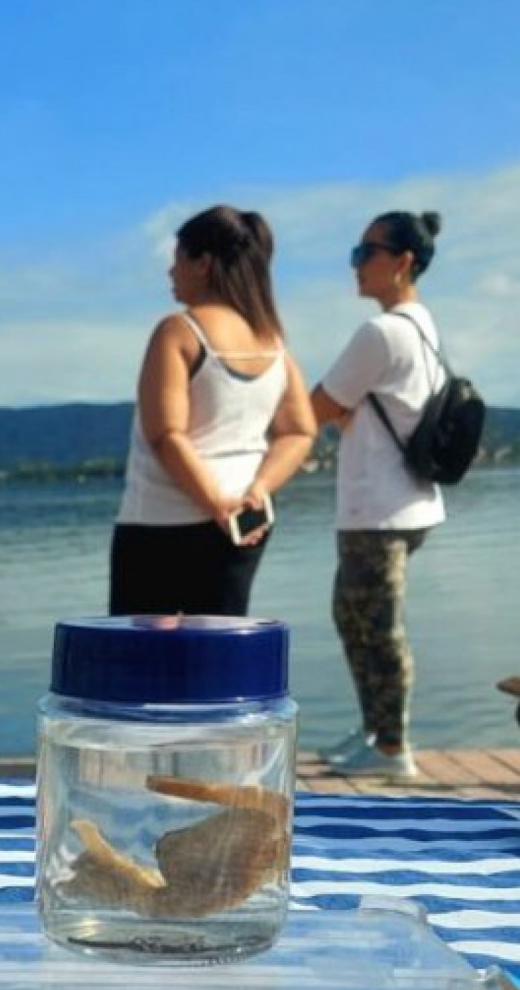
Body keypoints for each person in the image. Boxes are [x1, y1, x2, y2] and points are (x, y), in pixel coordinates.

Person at [110, 205, 315, 617]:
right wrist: (257, 490)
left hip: (162, 525)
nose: (171, 273)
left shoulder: (179, 331)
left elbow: (166, 434)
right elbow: (300, 431)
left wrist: (215, 503)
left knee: (143, 669)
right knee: (217, 660)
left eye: (178, 260)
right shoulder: (271, 341)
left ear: (203, 264)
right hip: (245, 525)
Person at [311, 211, 446, 782]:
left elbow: (316, 406)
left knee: (377, 624)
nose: (356, 264)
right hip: (404, 502)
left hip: (380, 506)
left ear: (402, 262)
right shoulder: (419, 326)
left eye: (367, 252)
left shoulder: (382, 332)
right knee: (354, 617)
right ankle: (376, 730)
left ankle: (393, 747)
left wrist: (337, 408)